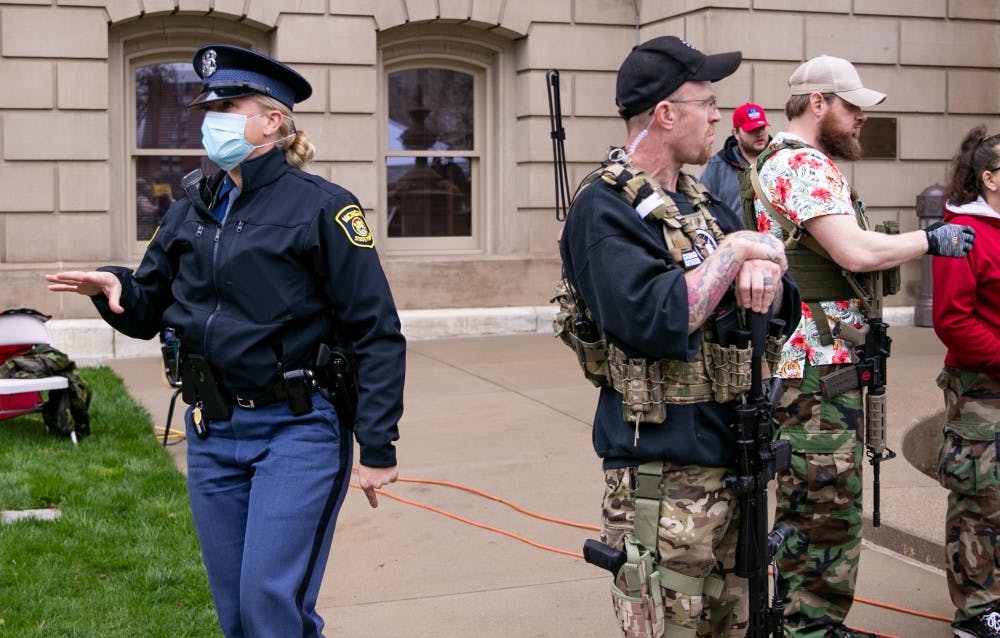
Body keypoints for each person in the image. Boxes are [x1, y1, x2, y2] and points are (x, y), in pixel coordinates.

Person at [46, 44, 405, 638]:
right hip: (212, 434)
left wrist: (378, 443)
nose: (212, 118)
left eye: (229, 104)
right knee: (237, 615)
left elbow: (376, 328)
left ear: (274, 120)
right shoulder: (192, 208)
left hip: (297, 431)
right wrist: (113, 287)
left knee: (271, 604)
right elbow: (149, 308)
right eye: (210, 106)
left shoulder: (323, 208)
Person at [559, 35, 800, 637]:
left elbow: (783, 309)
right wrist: (737, 254)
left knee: (738, 622)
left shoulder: (701, 203)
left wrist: (764, 266)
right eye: (708, 103)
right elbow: (652, 316)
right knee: (669, 624)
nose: (719, 116)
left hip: (731, 458)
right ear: (666, 114)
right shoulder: (602, 208)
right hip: (662, 475)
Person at [746, 54, 977, 638]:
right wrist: (931, 239)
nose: (861, 120)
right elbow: (853, 252)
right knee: (823, 507)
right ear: (818, 102)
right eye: (852, 107)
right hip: (813, 370)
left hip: (826, 363)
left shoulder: (801, 161)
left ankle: (814, 621)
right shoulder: (799, 164)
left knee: (829, 503)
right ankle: (808, 629)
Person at [933, 125, 1000, 638]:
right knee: (979, 504)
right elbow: (951, 320)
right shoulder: (963, 232)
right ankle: (977, 613)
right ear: (990, 179)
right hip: (981, 389)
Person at [701, 102, 772, 225]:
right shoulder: (717, 166)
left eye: (762, 128)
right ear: (736, 133)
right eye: (752, 130)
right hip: (734, 241)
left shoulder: (781, 160)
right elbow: (702, 208)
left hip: (776, 242)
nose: (759, 134)